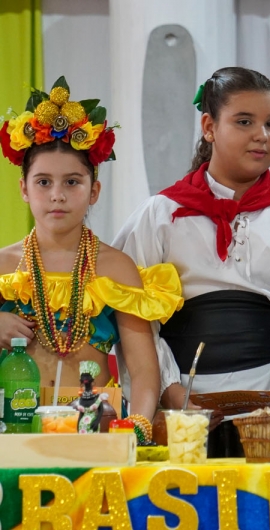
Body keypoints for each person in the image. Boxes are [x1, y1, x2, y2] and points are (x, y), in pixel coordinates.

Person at [113, 67, 270, 416]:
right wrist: (172, 393)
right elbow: (132, 318)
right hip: (183, 401)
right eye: (244, 122)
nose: (261, 135)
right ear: (209, 127)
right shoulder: (158, 215)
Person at [0, 78, 180, 436]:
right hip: (16, 429)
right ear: (24, 188)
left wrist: (138, 426)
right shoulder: (5, 265)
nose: (57, 195)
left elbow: (143, 368)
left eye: (72, 182)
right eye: (43, 182)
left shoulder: (115, 267)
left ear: (93, 190)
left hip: (95, 428)